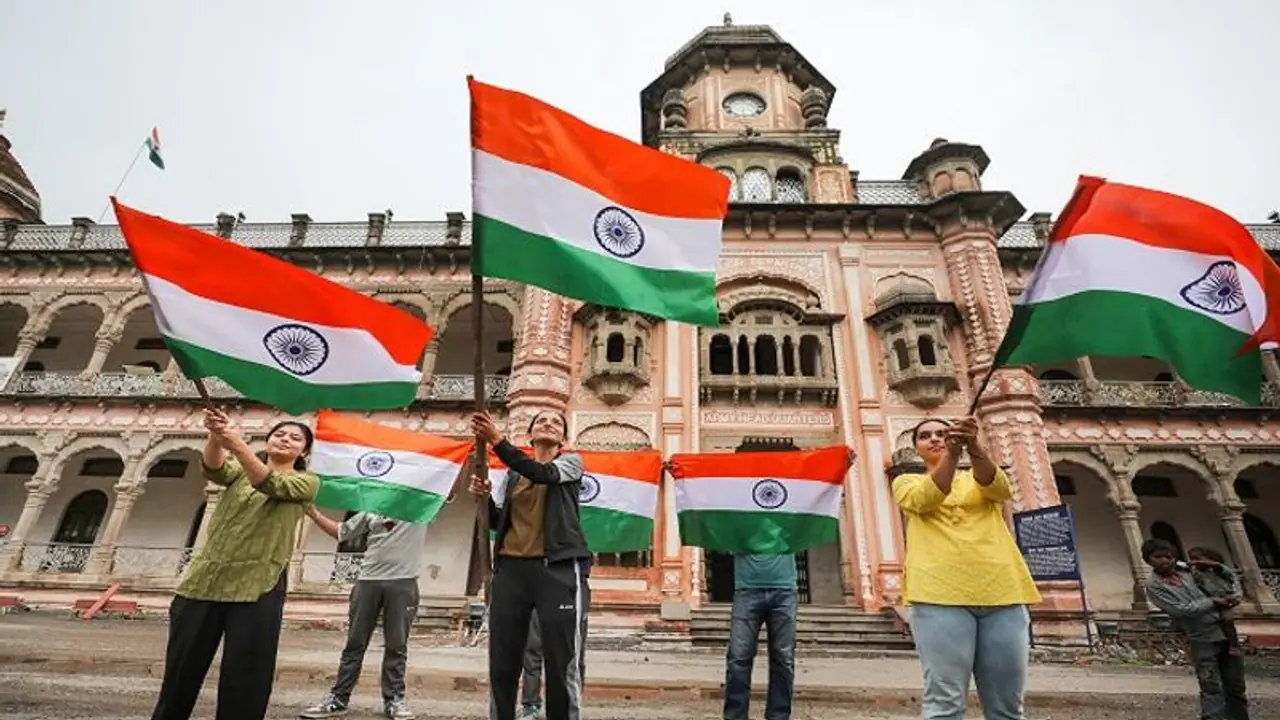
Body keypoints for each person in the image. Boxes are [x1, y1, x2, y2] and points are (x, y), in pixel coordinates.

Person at [150, 408, 319, 720]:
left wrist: (237, 443)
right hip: (205, 580)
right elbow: (214, 469)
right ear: (268, 441)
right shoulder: (239, 472)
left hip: (257, 584)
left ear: (304, 452)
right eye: (279, 434)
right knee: (180, 671)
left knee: (245, 677)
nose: (285, 439)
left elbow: (268, 483)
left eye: (296, 438)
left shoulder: (306, 482)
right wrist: (216, 436)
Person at [891, 416, 1041, 720]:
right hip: (938, 595)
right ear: (916, 448)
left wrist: (973, 446)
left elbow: (999, 489)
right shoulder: (906, 482)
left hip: (1002, 591)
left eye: (942, 433)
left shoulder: (978, 476)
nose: (935, 438)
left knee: (1007, 706)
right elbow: (926, 499)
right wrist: (952, 453)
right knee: (944, 702)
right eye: (925, 436)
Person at [467, 410, 589, 720]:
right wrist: (484, 500)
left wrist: (496, 440)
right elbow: (499, 522)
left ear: (564, 439)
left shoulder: (571, 464)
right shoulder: (513, 476)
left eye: (556, 422)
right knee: (503, 661)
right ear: (530, 435)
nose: (549, 424)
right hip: (511, 570)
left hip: (556, 570)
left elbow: (542, 474)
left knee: (561, 661)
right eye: (541, 421)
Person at [300, 503, 445, 720]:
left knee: (396, 645)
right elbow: (341, 532)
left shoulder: (420, 504)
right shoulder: (373, 507)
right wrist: (312, 512)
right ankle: (339, 699)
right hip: (368, 581)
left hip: (403, 582)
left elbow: (449, 491)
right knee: (355, 644)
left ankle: (394, 700)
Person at [1144, 538, 1250, 719]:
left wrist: (1228, 592)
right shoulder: (1154, 585)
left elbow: (1225, 579)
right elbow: (1180, 610)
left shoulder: (1189, 572)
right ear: (1148, 560)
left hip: (1225, 632)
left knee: (1236, 685)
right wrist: (1213, 602)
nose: (1164, 561)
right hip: (1201, 637)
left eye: (1168, 557)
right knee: (1211, 686)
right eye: (1158, 557)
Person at [722, 553, 798, 720]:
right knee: (738, 657)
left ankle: (778, 716)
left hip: (784, 589)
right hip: (747, 589)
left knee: (783, 658)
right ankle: (735, 716)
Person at [1186, 546, 1244, 657]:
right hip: (1210, 600)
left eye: (1198, 558)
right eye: (1192, 559)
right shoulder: (1196, 573)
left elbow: (1220, 567)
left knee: (1227, 620)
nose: (1195, 562)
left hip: (1226, 598)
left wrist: (1204, 562)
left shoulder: (1217, 570)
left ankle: (1234, 645)